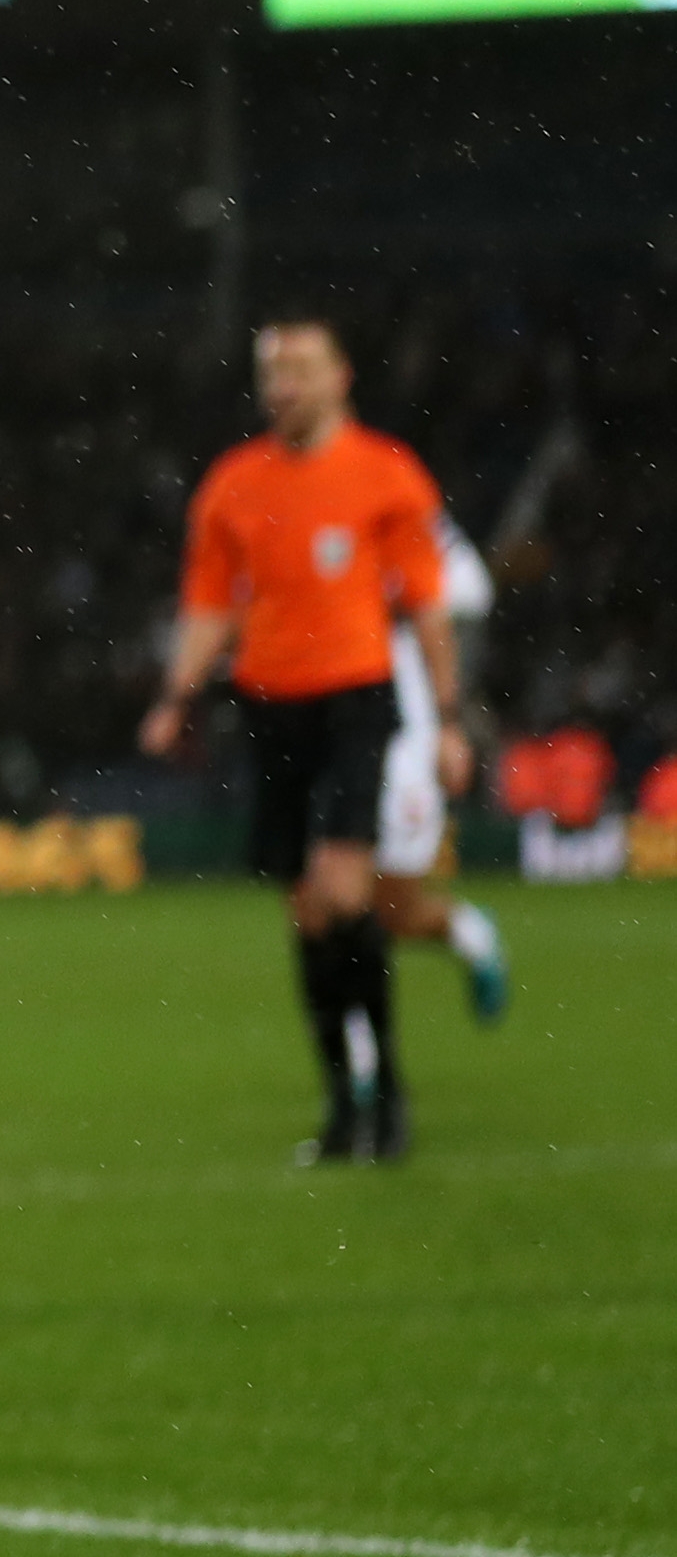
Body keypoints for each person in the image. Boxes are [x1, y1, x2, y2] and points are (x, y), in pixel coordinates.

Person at [138, 322, 461, 1164]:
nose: (282, 385)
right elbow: (209, 601)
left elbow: (425, 602)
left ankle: (385, 1090)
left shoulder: (386, 473)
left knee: (344, 890)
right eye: (271, 371)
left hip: (356, 696)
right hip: (268, 702)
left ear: (340, 376)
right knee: (307, 910)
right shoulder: (234, 485)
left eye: (299, 369)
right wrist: (177, 695)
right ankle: (340, 1104)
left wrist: (453, 718)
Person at [371, 507, 511, 1024]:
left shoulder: (398, 505)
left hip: (405, 746)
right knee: (327, 908)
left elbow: (472, 590)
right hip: (328, 742)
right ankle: (358, 1062)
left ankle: (471, 933)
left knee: (392, 912)